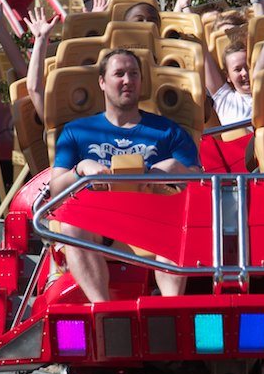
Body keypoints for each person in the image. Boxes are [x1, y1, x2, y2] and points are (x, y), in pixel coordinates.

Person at [49, 48, 200, 302]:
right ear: (102, 82)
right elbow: (56, 190)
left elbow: (199, 182)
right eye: (119, 74)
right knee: (72, 226)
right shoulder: (77, 131)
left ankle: (171, 308)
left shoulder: (168, 131)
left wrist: (175, 169)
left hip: (155, 218)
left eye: (133, 74)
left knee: (181, 221)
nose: (127, 80)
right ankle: (104, 310)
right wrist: (82, 169)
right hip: (100, 221)